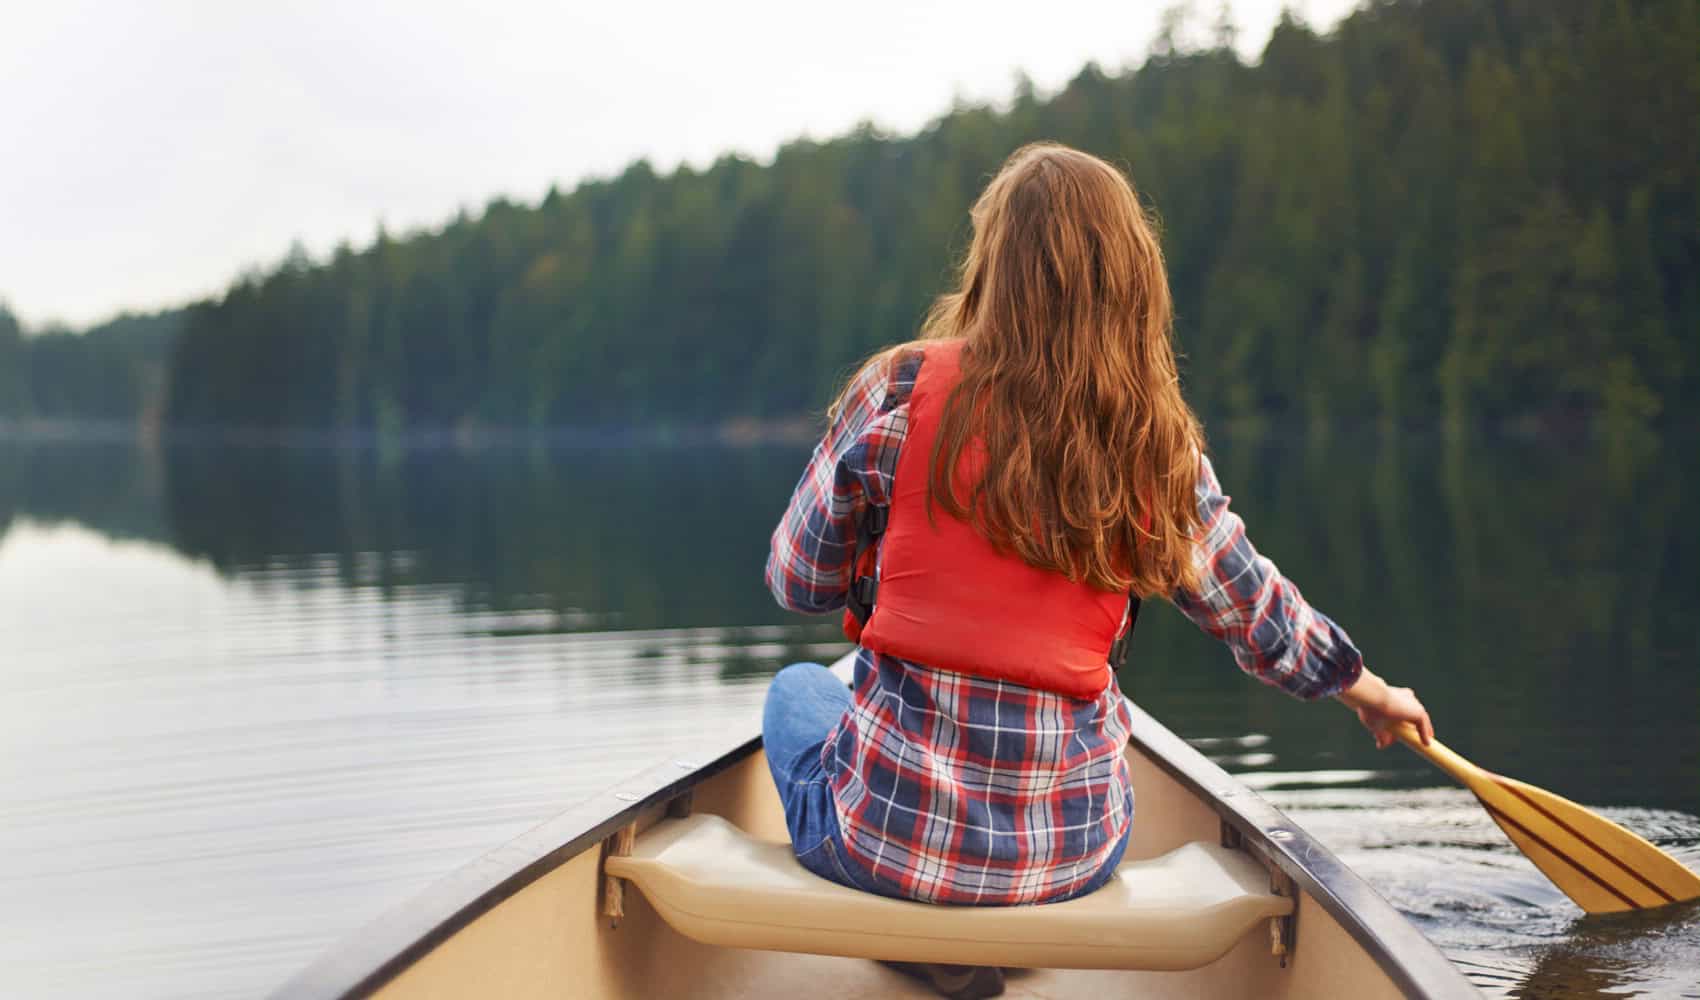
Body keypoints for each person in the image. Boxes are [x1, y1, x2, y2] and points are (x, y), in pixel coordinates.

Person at [761, 143, 1433, 1000]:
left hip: (885, 843)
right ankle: (975, 932)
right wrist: (1366, 688)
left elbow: (798, 582)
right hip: (1072, 857)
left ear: (993, 267)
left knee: (798, 692)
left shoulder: (899, 388)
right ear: (1130, 281)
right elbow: (1257, 613)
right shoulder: (1153, 442)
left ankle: (929, 937)